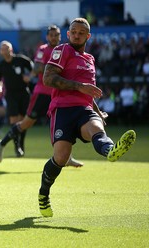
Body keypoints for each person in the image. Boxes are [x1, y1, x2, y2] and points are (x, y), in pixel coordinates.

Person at [38, 18, 136, 218]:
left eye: (81, 33)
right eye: (73, 32)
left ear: (88, 36)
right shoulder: (62, 50)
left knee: (97, 128)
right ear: (68, 34)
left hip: (84, 109)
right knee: (61, 157)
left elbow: (88, 91)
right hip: (62, 109)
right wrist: (79, 86)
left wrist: (97, 110)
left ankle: (111, 151)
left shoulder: (90, 59)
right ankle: (43, 194)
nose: (76, 35)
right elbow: (48, 79)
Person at [0, 25, 83, 167]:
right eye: (51, 35)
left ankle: (68, 157)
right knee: (26, 123)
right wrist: (53, 66)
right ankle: (2, 143)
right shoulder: (43, 50)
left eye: (57, 35)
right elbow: (36, 67)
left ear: (61, 36)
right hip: (42, 93)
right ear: (47, 37)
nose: (54, 37)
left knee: (64, 124)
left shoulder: (66, 50)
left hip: (59, 94)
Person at [0, 40, 33, 158]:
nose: (5, 50)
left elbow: (34, 67)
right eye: (3, 49)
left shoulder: (21, 60)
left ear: (11, 50)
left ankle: (21, 145)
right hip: (10, 95)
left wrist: (29, 77)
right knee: (14, 121)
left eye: (7, 48)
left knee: (23, 122)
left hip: (24, 93)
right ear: (0, 51)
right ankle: (17, 147)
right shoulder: (1, 65)